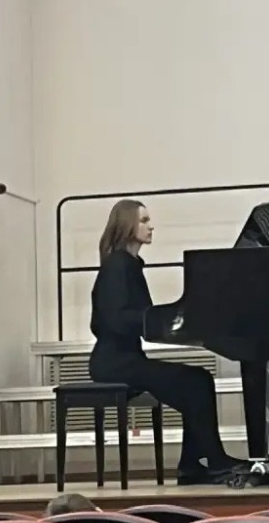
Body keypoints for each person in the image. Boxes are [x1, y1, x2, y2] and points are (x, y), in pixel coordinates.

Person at [88, 198, 245, 485]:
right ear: (127, 225)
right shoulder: (118, 265)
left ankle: (193, 465)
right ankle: (212, 461)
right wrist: (162, 318)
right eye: (144, 220)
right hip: (113, 364)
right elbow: (113, 319)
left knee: (196, 381)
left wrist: (165, 320)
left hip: (126, 359)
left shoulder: (130, 264)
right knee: (196, 381)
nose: (151, 227)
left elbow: (130, 316)